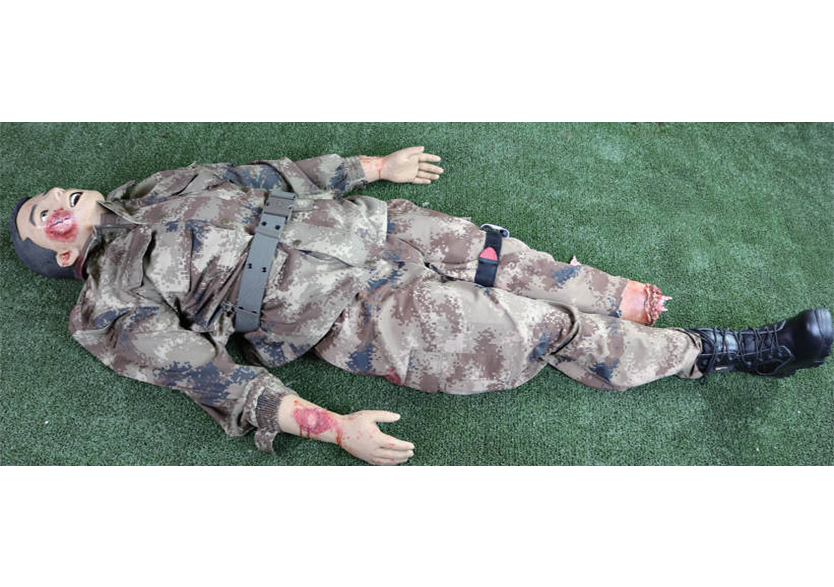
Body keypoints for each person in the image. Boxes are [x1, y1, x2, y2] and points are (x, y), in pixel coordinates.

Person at [10, 146, 833, 465]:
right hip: (352, 313)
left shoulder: (157, 185)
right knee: (535, 330)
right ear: (61, 254)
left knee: (501, 256)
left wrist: (373, 167)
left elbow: (266, 178)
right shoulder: (108, 304)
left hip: (376, 226)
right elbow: (212, 377)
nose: (54, 203)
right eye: (40, 218)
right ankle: (721, 352)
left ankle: (621, 299)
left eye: (54, 194)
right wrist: (333, 428)